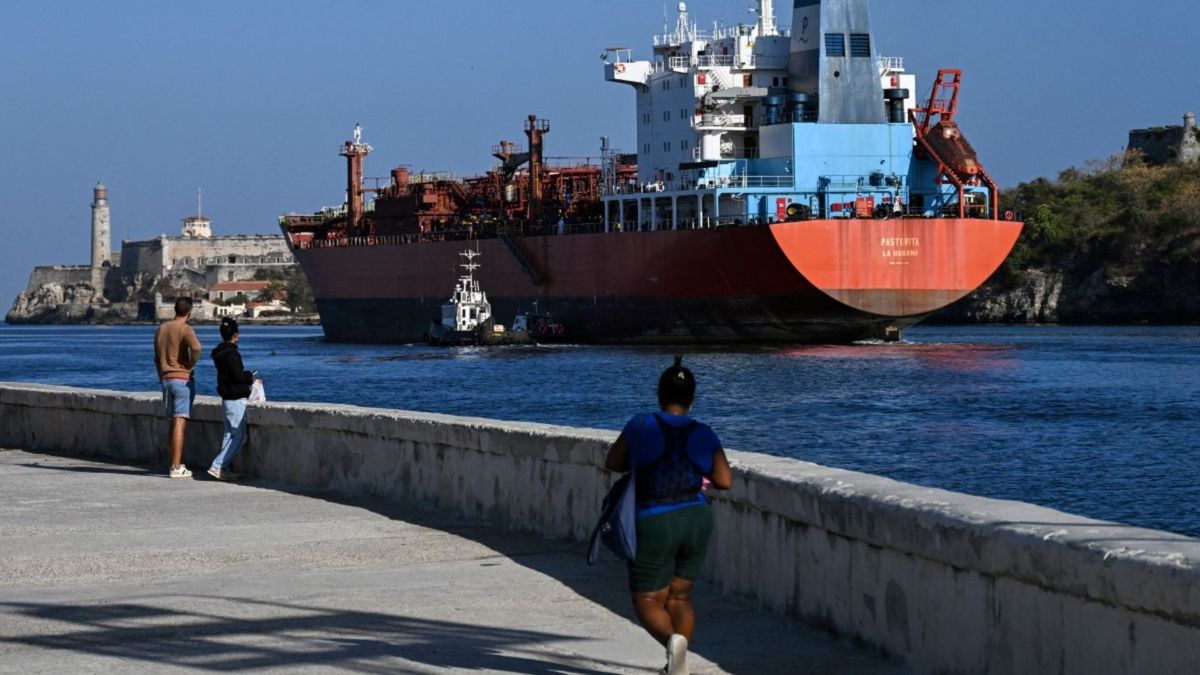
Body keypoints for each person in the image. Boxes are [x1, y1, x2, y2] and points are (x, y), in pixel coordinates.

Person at [604, 356, 733, 675]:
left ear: (659, 395)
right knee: (680, 595)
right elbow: (724, 481)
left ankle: (671, 641)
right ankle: (676, 666)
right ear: (692, 398)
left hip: (654, 517)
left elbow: (613, 463)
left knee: (647, 598)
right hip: (696, 517)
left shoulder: (640, 425)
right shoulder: (703, 432)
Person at [154, 297, 201, 479]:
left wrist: (161, 375)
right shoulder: (185, 329)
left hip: (166, 379)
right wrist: (190, 364)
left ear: (175, 309)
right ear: (189, 311)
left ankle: (173, 462)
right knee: (180, 422)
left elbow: (156, 358)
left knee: (173, 422)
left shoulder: (161, 329)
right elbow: (196, 348)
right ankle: (176, 466)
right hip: (181, 379)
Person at [208, 317, 255, 481]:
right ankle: (218, 465)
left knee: (229, 435)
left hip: (226, 397)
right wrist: (249, 376)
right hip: (236, 397)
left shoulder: (219, 353)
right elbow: (237, 376)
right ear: (235, 335)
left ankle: (224, 469)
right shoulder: (232, 353)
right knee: (239, 435)